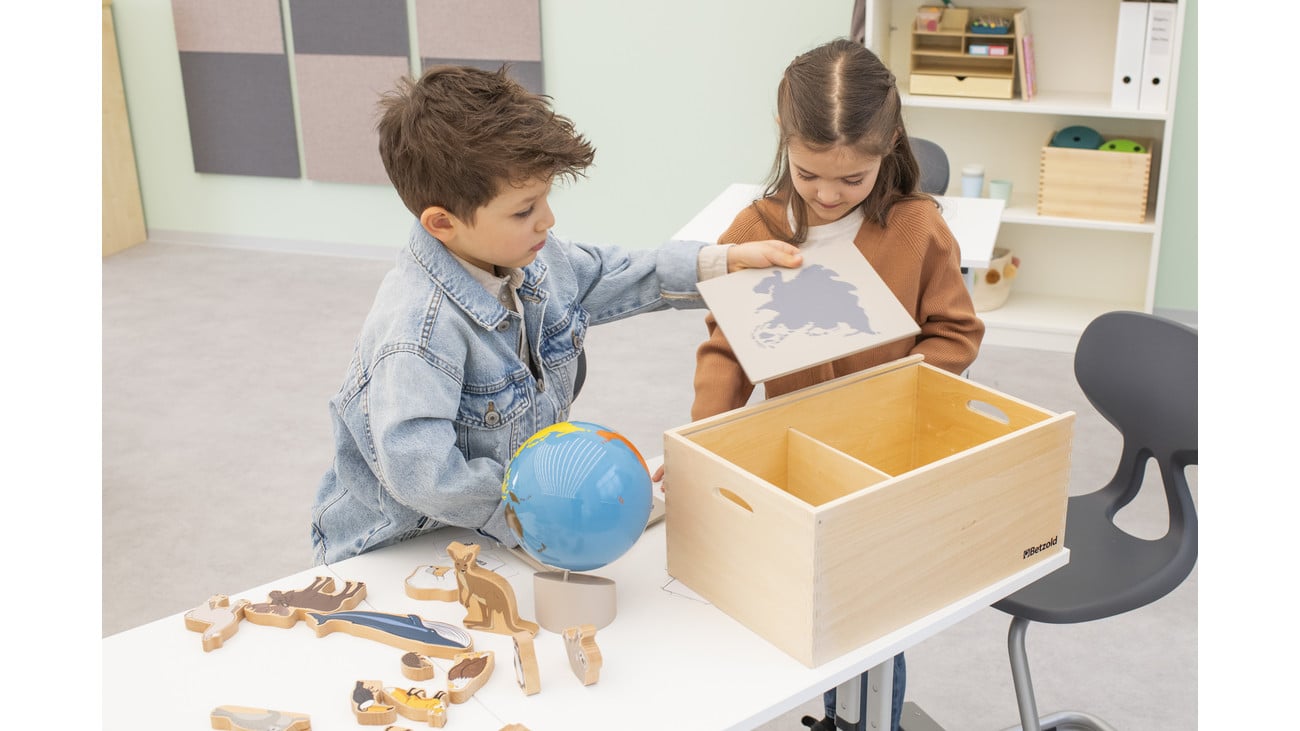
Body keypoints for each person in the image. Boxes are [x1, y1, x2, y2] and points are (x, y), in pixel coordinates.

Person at [310, 65, 802, 566]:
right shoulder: (417, 332)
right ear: (442, 223)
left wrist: (722, 264)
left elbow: (615, 273)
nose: (548, 219)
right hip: (402, 547)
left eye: (546, 198)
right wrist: (537, 511)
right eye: (524, 210)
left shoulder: (537, 260)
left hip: (500, 522)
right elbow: (422, 473)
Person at [687, 39, 985, 731]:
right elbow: (727, 348)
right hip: (791, 451)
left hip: (884, 456)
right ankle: (833, 710)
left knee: (872, 611)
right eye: (808, 173)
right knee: (791, 592)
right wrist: (704, 441)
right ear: (784, 139)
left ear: (889, 146)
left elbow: (956, 333)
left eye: (852, 179)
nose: (826, 194)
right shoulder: (753, 230)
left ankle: (867, 719)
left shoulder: (917, 226)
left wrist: (888, 390)